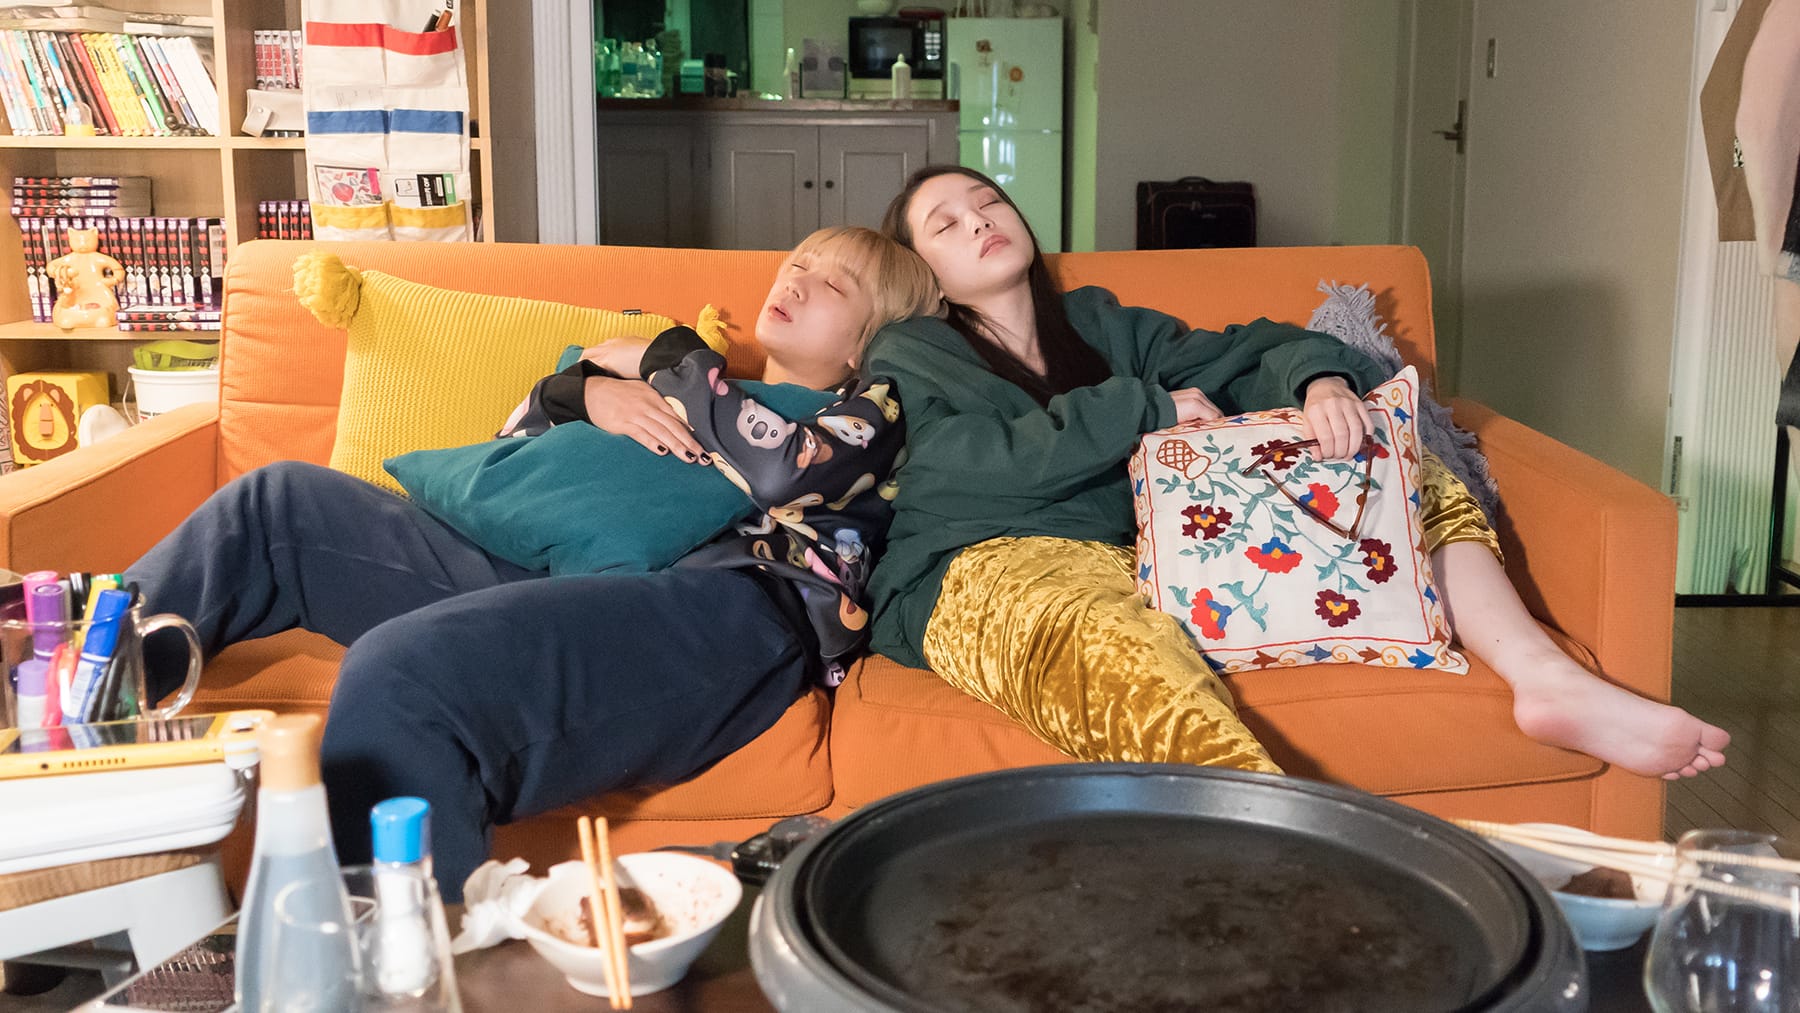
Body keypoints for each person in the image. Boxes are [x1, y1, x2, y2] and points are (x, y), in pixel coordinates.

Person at [126, 227, 939, 898]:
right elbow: (514, 448)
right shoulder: (685, 385)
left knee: (402, 675)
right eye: (799, 261)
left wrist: (667, 358)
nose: (798, 279)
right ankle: (82, 695)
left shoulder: (864, 416)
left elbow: (783, 468)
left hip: (724, 611)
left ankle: (410, 971)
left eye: (833, 284)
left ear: (869, 341)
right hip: (563, 573)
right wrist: (583, 395)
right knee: (275, 505)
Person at [870, 165, 1730, 782]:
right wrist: (1146, 408)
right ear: (921, 268)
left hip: (1148, 553)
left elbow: (1246, 350)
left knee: (1391, 461)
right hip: (982, 565)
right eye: (945, 223)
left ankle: (1547, 678)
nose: (978, 219)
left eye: (988, 201)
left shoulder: (1099, 323)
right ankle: (1280, 864)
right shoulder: (910, 350)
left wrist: (1319, 381)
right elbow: (952, 468)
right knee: (1118, 654)